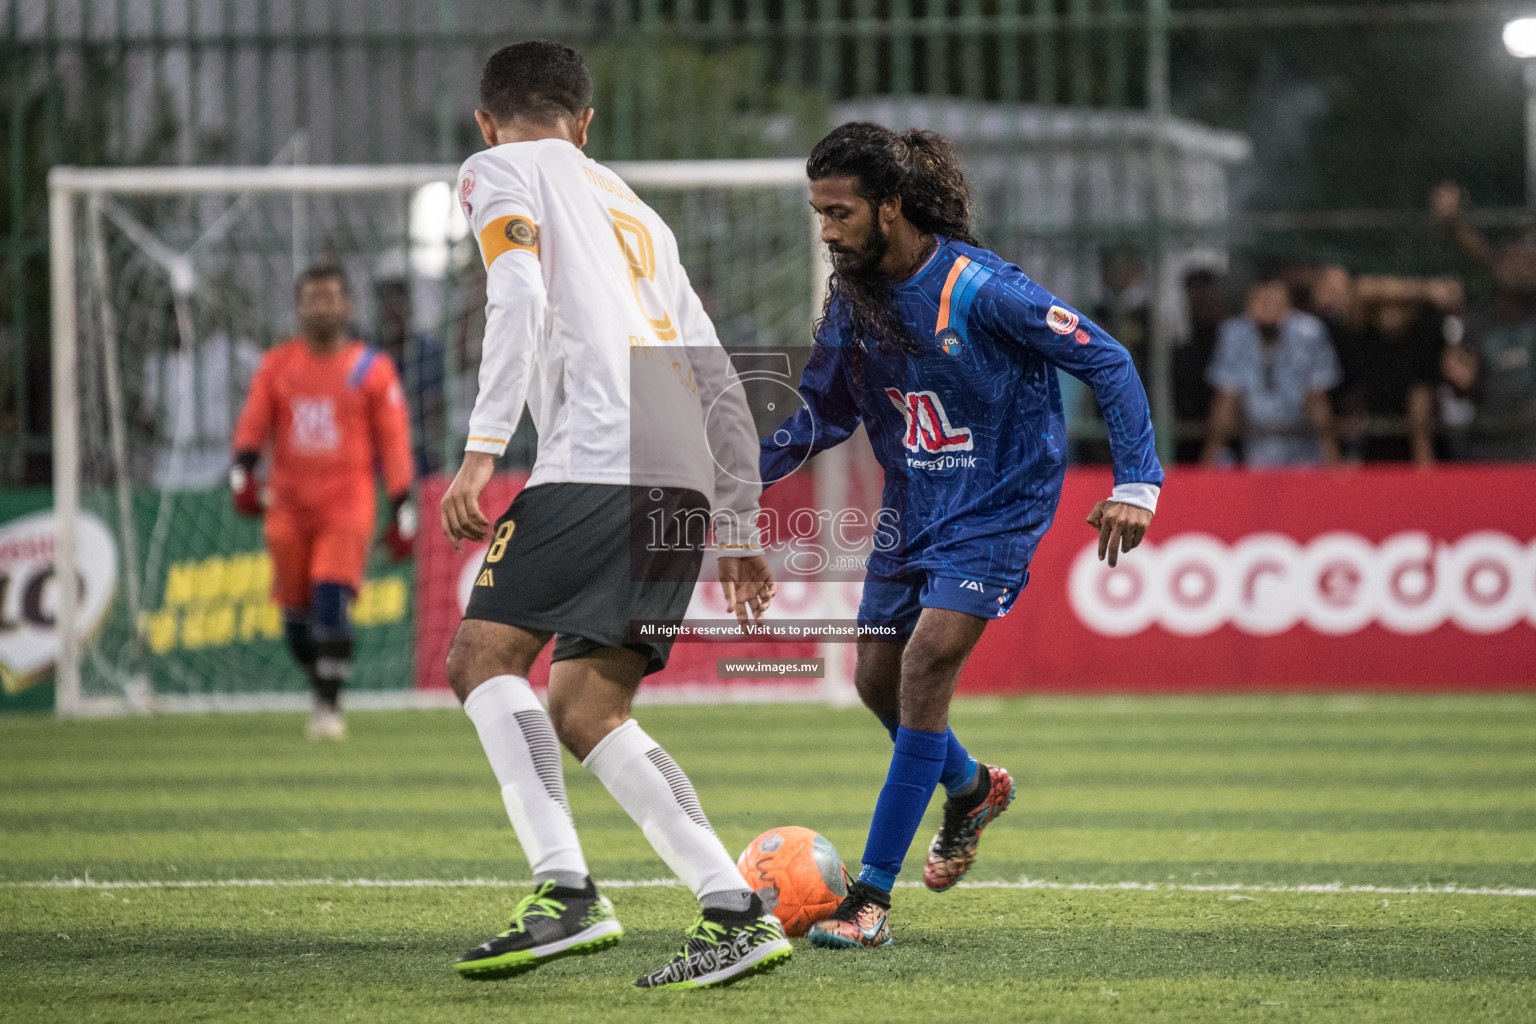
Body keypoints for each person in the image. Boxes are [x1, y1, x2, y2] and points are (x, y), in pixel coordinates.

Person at [436, 41, 790, 989]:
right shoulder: (637, 210)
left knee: (479, 659)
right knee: (588, 704)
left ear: (485, 120)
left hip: (596, 457)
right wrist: (741, 523)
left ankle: (565, 894)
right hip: (674, 473)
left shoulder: (495, 170)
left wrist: (480, 450)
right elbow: (720, 379)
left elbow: (512, 292)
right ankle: (734, 908)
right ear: (586, 123)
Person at [758, 122, 1163, 949]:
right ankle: (972, 788)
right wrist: (729, 473)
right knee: (877, 681)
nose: (826, 231)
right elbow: (824, 414)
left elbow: (1108, 358)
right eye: (818, 214)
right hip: (911, 510)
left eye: (839, 213)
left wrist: (1137, 483)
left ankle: (869, 899)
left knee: (925, 660)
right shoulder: (853, 300)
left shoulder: (981, 288)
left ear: (891, 207)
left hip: (997, 506)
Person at [230, 267, 416, 740]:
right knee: (296, 622)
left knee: (331, 601)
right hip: (288, 506)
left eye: (331, 297)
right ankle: (322, 684)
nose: (322, 306)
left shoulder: (370, 369)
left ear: (348, 305)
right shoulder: (277, 365)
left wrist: (403, 505)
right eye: (312, 298)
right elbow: (253, 424)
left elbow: (393, 442)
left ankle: (328, 710)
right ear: (298, 307)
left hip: (346, 504)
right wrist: (242, 472)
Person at [1201, 275, 1341, 467]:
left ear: (1289, 306)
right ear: (1248, 306)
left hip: (1302, 452)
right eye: (1261, 301)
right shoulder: (1233, 334)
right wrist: (1206, 468)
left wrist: (1334, 468)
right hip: (1252, 451)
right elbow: (1225, 403)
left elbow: (1317, 402)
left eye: (1276, 302)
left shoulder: (1309, 333)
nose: (1268, 309)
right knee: (1223, 463)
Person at [373, 276, 446, 477]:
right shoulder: (372, 354)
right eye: (387, 307)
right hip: (379, 452)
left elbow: (438, 409)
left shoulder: (427, 350)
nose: (392, 314)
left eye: (398, 306)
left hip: (419, 448)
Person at [1172, 266, 1226, 463]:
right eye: (1196, 294)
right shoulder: (1180, 353)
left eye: (1208, 294)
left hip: (1225, 440)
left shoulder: (1229, 344)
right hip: (1186, 441)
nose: (1203, 301)